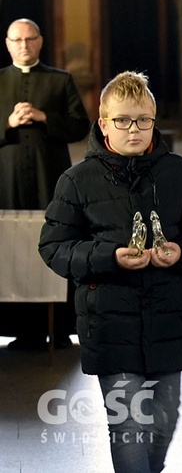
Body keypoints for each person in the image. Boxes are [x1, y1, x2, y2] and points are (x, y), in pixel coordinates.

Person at [38, 71, 182, 473]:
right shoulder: (77, 180)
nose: (134, 129)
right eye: (122, 120)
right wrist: (110, 257)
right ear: (103, 122)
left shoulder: (178, 172)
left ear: (155, 120)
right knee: (129, 426)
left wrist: (181, 251)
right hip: (109, 323)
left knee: (163, 420)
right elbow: (53, 247)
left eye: (143, 120)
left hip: (166, 318)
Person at [0, 18, 90, 350]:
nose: (23, 45)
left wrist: (44, 118)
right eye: (17, 39)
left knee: (57, 244)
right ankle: (22, 331)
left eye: (29, 39)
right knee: (12, 252)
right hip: (7, 185)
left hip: (50, 180)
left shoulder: (60, 80)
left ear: (40, 41)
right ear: (7, 44)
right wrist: (8, 123)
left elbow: (80, 126)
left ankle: (61, 328)